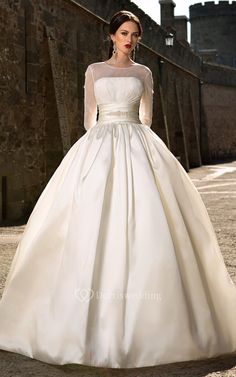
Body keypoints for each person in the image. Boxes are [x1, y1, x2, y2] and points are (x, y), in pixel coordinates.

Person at [0, 9, 236, 369]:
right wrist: (102, 141)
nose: (129, 39)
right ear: (111, 36)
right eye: (123, 33)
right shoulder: (93, 71)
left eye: (135, 35)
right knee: (89, 221)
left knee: (148, 227)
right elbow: (87, 118)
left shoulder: (143, 73)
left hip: (137, 143)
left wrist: (129, 138)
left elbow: (147, 118)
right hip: (98, 145)